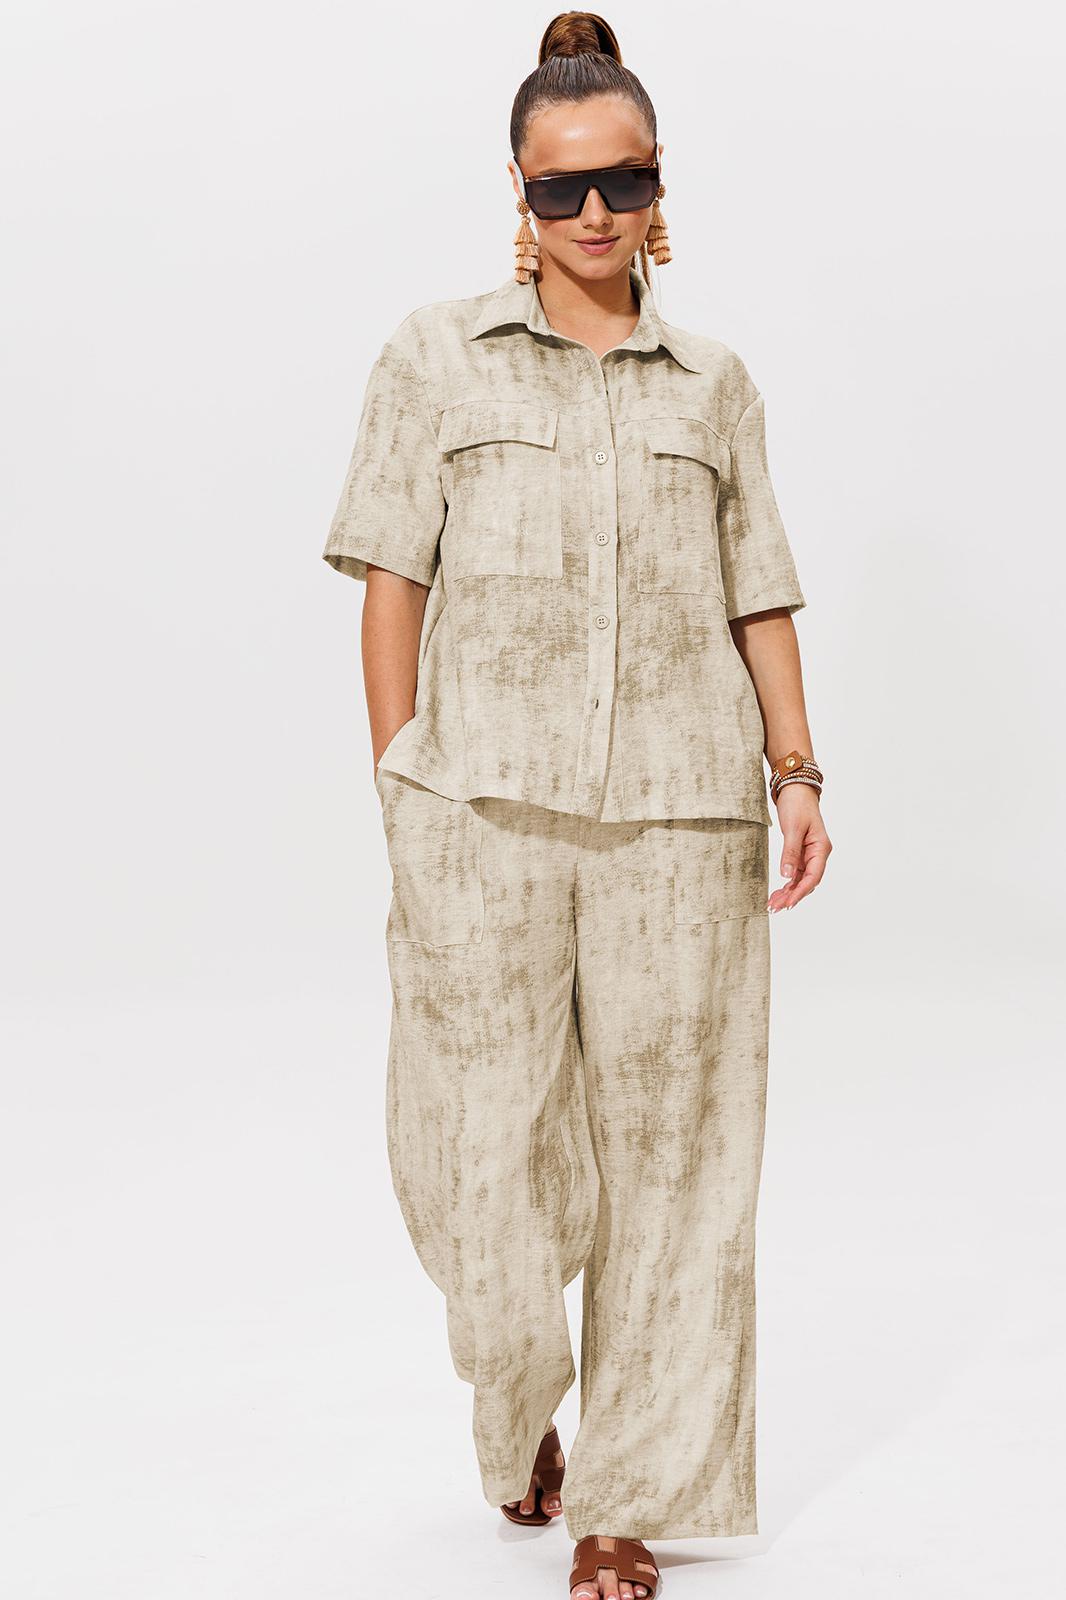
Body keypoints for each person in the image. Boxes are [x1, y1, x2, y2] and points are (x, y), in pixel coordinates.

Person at [321, 11, 832, 1597]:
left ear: (660, 182)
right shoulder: (433, 356)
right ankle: (516, 1401)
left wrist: (796, 771)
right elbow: (390, 577)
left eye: (623, 181)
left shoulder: (714, 383)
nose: (593, 213)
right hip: (478, 812)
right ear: (517, 192)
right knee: (472, 1158)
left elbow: (757, 589)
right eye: (561, 188)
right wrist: (401, 772)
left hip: (682, 819)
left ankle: (623, 1498)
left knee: (678, 1163)